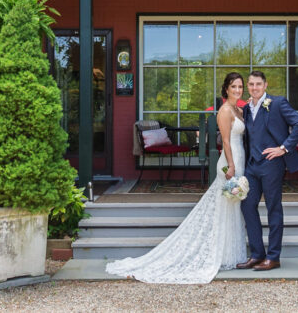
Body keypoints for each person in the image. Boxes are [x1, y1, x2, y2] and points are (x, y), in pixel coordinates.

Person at [104, 72, 248, 283]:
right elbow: (225, 141)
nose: (237, 90)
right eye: (233, 86)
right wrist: (232, 165)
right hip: (230, 161)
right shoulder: (225, 110)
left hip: (240, 157)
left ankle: (231, 253)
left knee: (234, 206)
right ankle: (219, 253)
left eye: (239, 86)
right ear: (226, 89)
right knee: (224, 206)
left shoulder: (239, 109)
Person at [237, 69, 298, 271]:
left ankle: (273, 256)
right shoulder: (247, 108)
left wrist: (283, 148)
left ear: (265, 85)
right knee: (247, 206)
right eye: (251, 84)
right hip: (252, 166)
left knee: (273, 208)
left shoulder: (277, 103)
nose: (254, 88)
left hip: (272, 165)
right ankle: (257, 254)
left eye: (258, 84)